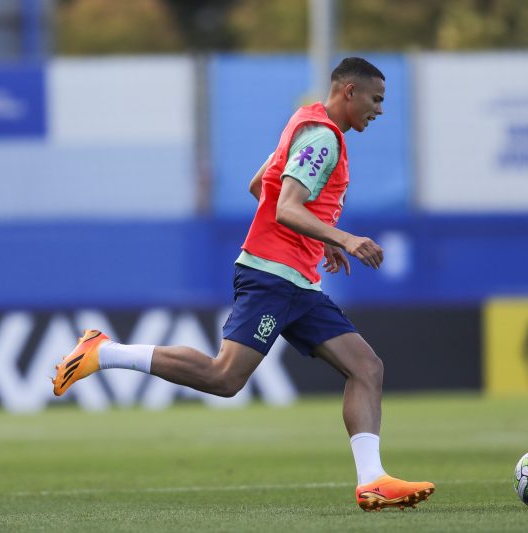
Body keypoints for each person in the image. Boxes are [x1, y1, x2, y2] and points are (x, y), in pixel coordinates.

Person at [51, 57, 434, 511]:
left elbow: (260, 186)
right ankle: (103, 351)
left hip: (297, 281)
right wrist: (343, 238)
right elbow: (284, 208)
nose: (380, 110)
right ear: (349, 92)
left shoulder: (304, 122)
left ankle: (372, 480)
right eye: (376, 99)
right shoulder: (322, 139)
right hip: (272, 275)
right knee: (224, 377)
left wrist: (318, 239)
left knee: (367, 367)